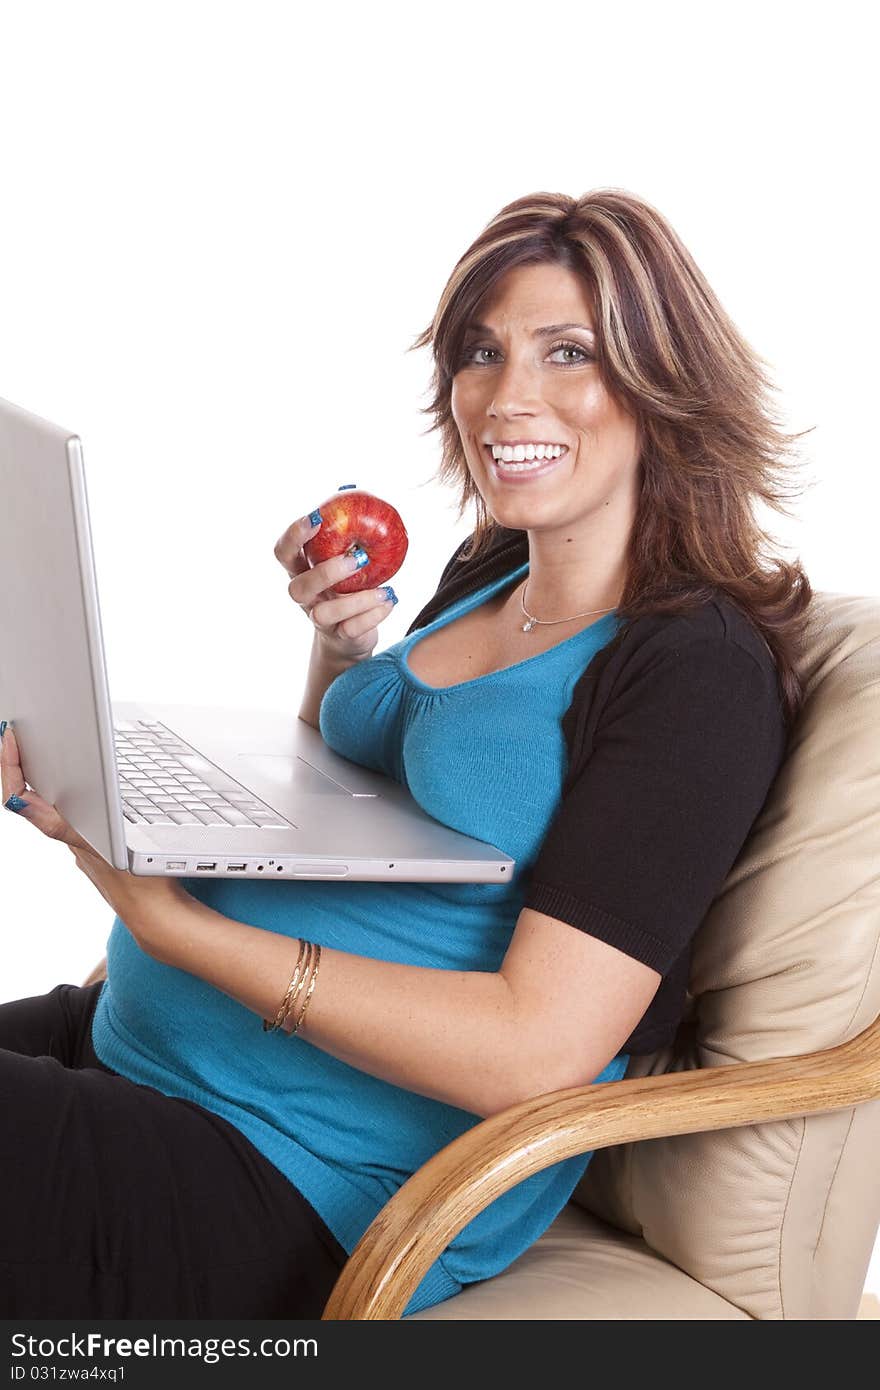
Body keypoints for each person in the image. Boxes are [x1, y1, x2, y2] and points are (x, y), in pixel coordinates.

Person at [0, 187, 813, 1319]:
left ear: (659, 384)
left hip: (290, 1172)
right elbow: (359, 803)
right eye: (480, 352)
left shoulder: (692, 672)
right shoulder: (494, 568)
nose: (504, 395)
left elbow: (535, 1050)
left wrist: (172, 924)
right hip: (133, 1043)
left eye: (565, 351)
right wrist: (341, 654)